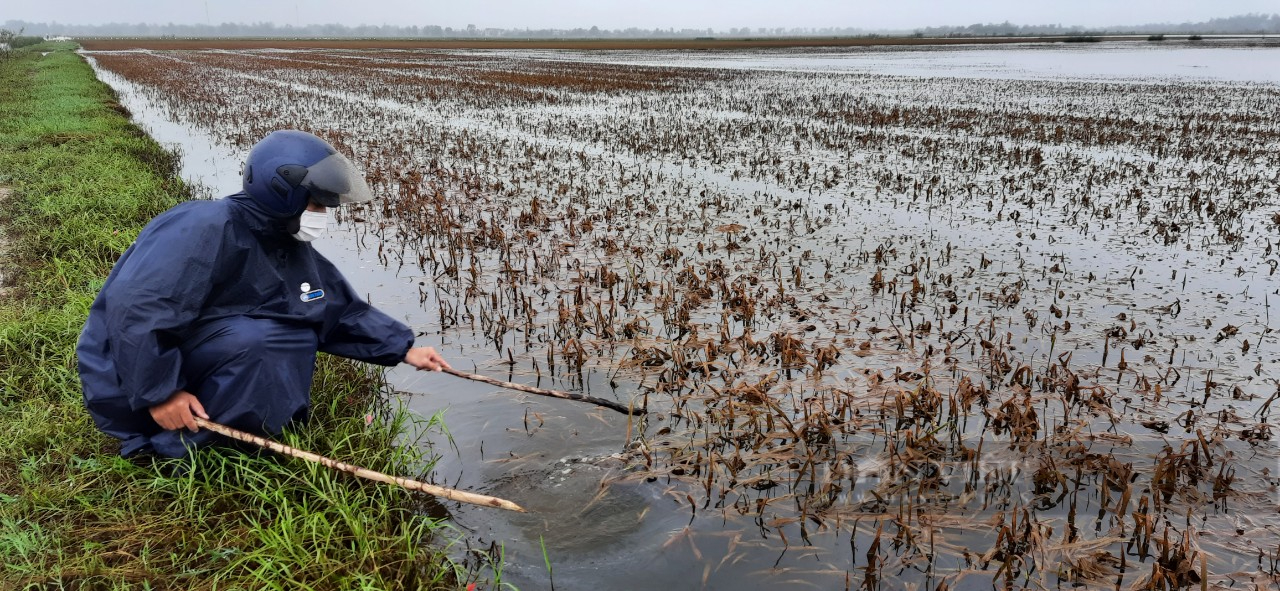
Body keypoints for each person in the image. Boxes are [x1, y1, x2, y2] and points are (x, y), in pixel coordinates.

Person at [77, 129, 450, 458]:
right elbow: (138, 311)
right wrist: (160, 393)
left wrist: (402, 348)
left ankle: (251, 435)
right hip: (128, 381)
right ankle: (177, 446)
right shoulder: (205, 225)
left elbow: (330, 307)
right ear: (281, 189)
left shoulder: (280, 241)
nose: (322, 213)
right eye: (316, 203)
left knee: (295, 331)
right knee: (263, 339)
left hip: (183, 356)